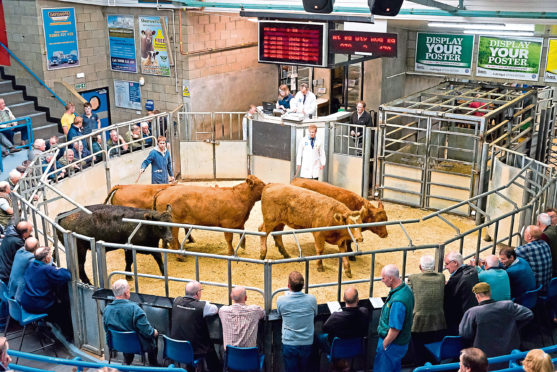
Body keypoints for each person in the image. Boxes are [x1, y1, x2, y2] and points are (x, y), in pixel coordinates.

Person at [459, 282, 532, 357]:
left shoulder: (472, 312)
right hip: (510, 353)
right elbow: (528, 314)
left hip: (483, 358)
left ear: (477, 296)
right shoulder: (508, 305)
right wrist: (515, 328)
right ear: (490, 293)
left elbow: (465, 334)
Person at [20, 246, 73, 340]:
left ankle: (47, 324)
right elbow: (67, 275)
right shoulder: (47, 270)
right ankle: (69, 336)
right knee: (63, 310)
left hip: (26, 303)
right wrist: (57, 268)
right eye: (50, 255)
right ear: (47, 258)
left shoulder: (30, 264)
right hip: (39, 306)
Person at [103, 279, 159, 366]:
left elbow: (107, 330)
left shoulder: (107, 309)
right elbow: (147, 332)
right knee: (153, 334)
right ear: (126, 293)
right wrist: (155, 332)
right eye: (129, 289)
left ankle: (126, 362)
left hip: (116, 344)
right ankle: (153, 365)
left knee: (125, 331)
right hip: (137, 345)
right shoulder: (135, 309)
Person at [170, 281, 220, 371]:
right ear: (197, 293)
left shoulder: (176, 300)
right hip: (194, 350)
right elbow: (215, 309)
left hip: (175, 348)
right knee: (209, 349)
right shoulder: (202, 306)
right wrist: (203, 302)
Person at [374, 264, 414, 372]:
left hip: (392, 344)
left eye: (383, 278)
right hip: (400, 342)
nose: (382, 280)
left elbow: (395, 328)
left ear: (391, 278)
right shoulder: (405, 289)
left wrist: (385, 344)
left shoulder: (398, 301)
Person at [408, 255, 446, 364]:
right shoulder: (441, 277)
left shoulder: (413, 278)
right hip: (438, 322)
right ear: (434, 267)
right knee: (434, 354)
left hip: (418, 323)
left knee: (419, 353)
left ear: (420, 267)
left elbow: (409, 294)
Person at [276, 271, 317, 372]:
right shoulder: (312, 299)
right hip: (307, 342)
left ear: (288, 286)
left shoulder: (281, 300)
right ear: (303, 286)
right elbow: (315, 313)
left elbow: (279, 313)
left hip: (289, 343)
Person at [443, 252, 479, 334]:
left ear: (455, 263)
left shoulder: (455, 280)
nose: (446, 267)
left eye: (447, 264)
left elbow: (447, 299)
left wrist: (446, 285)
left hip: (460, 320)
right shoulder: (472, 270)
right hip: (472, 314)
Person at [515, 225, 552, 291]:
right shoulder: (545, 244)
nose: (524, 233)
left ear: (529, 237)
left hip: (536, 288)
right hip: (547, 285)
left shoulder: (526, 248)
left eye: (525, 232)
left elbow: (510, 256)